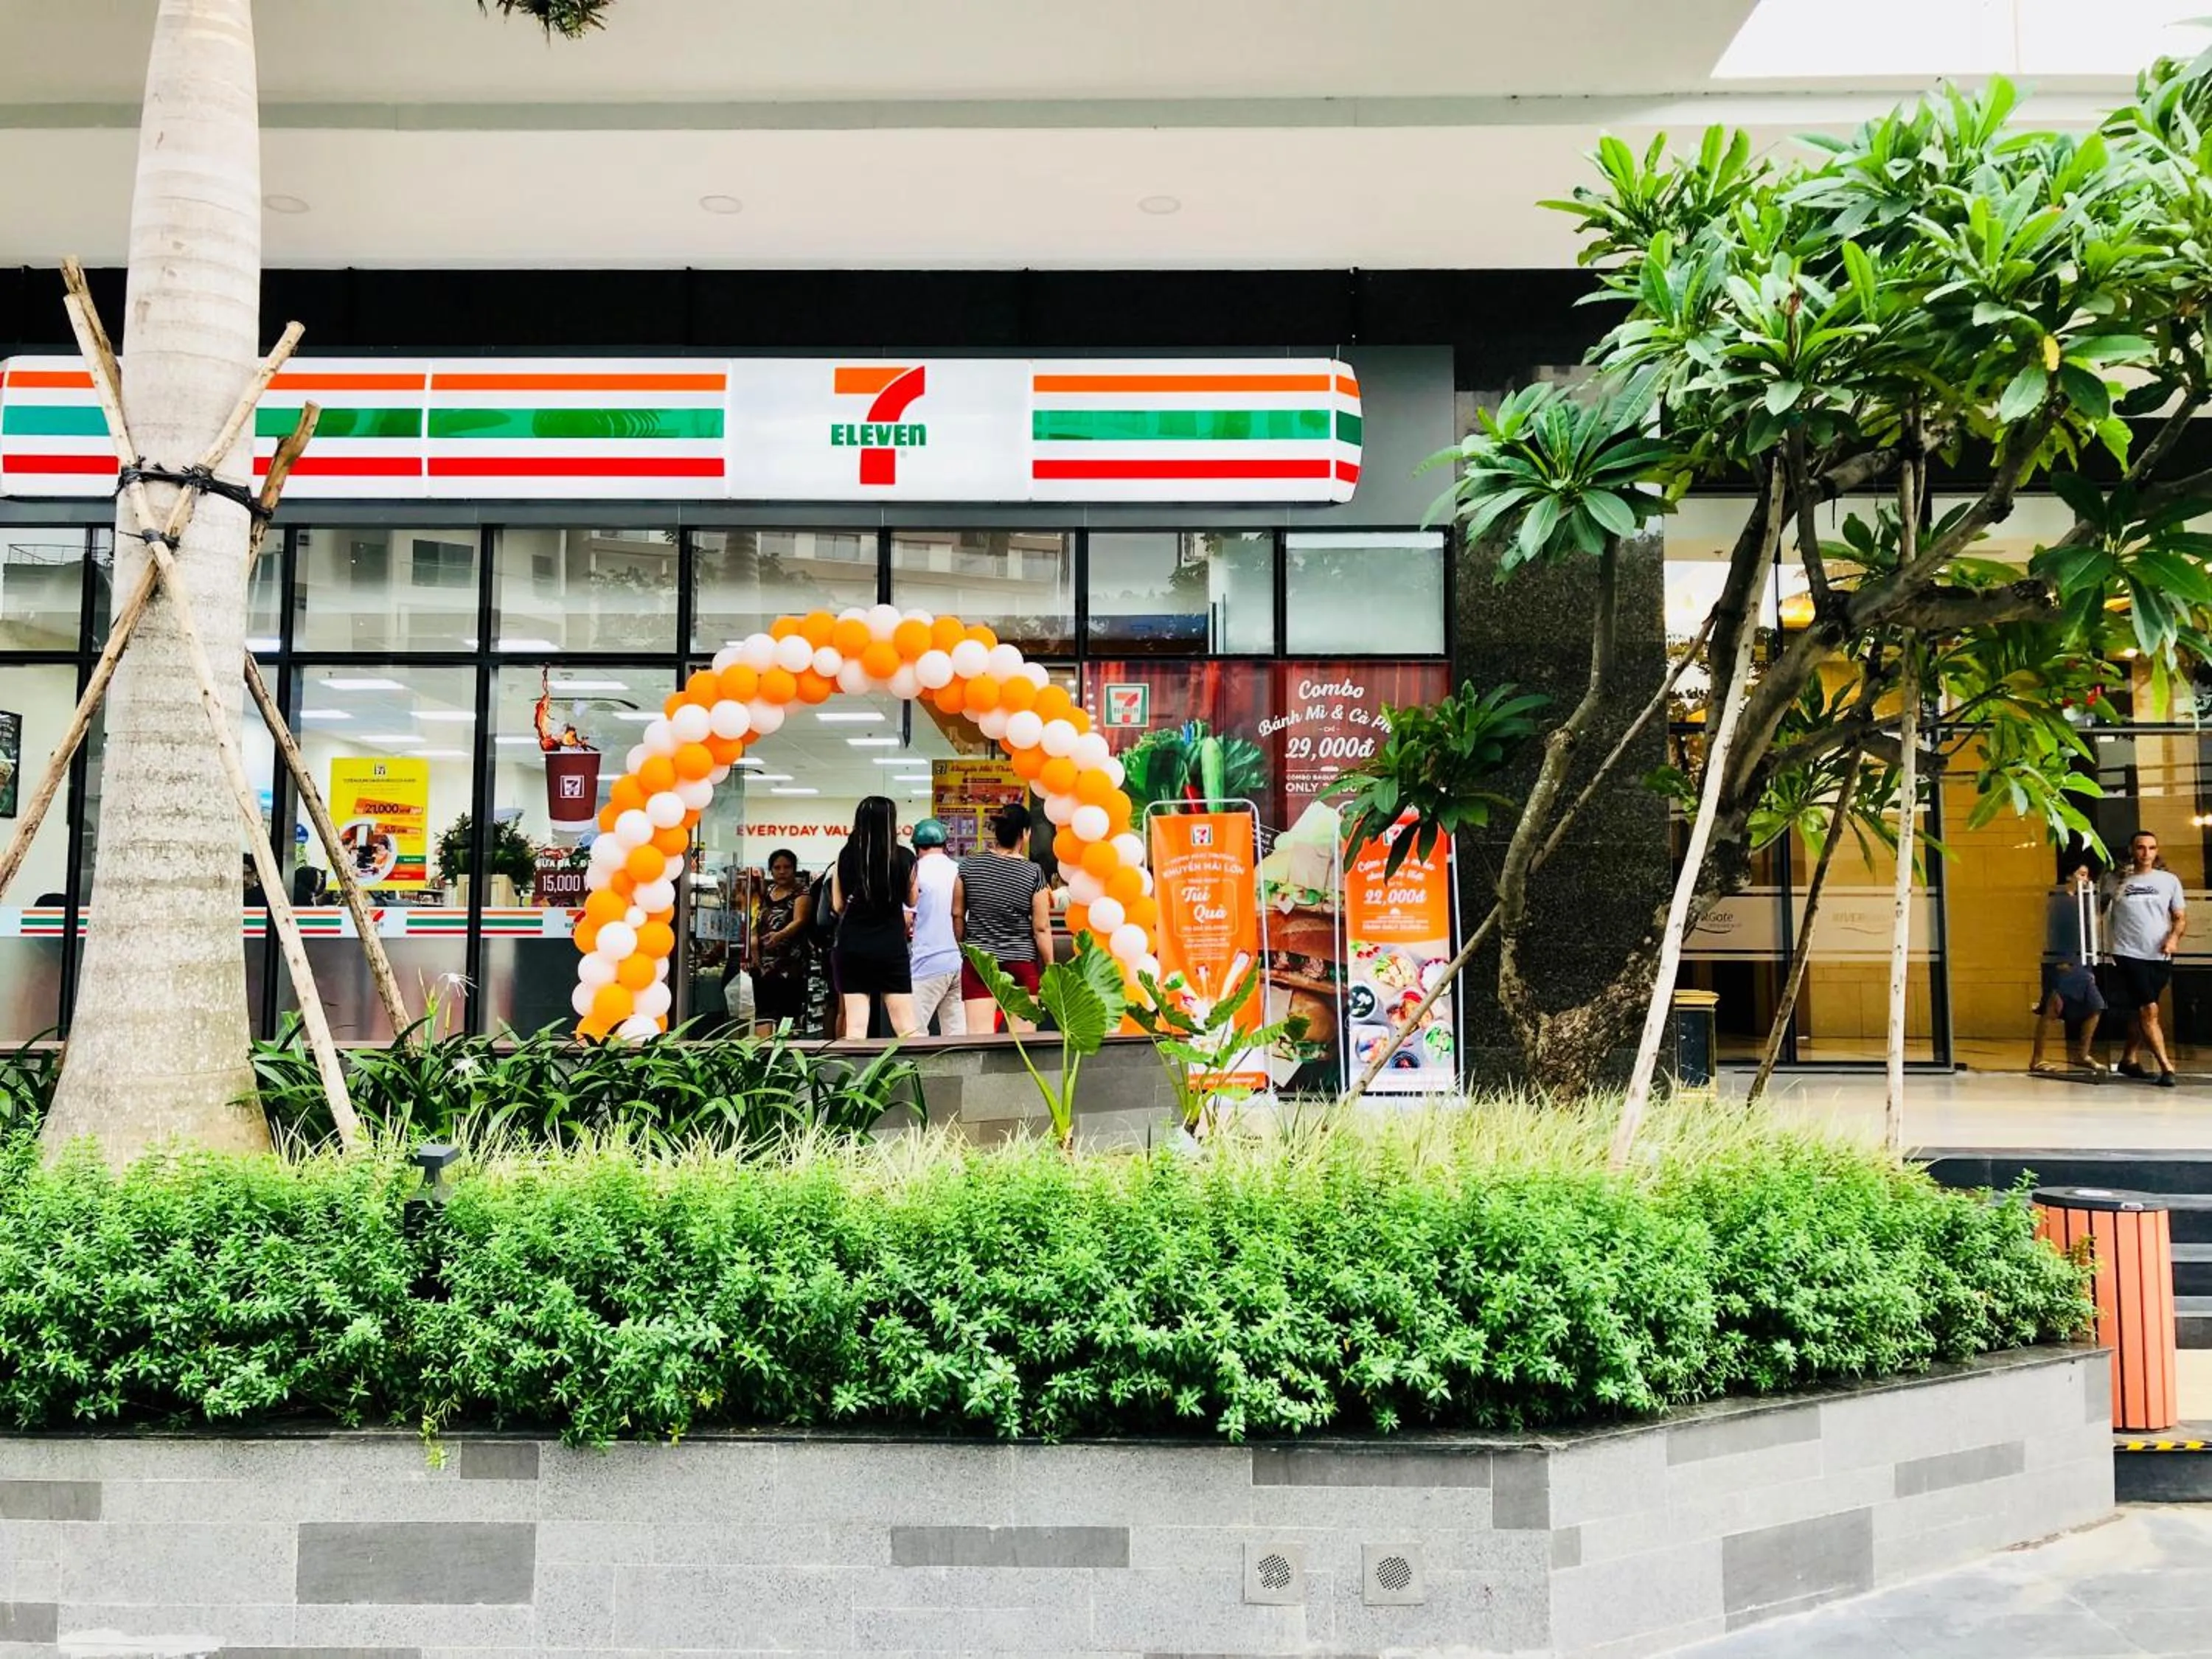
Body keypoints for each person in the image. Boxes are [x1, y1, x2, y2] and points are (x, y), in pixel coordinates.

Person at [955, 800, 1052, 1034]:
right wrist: (1050, 966)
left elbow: (957, 913)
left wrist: (966, 948)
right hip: (1021, 962)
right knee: (1024, 1040)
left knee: (979, 1038)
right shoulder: (1033, 872)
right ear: (1025, 834)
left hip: (980, 963)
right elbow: (1041, 928)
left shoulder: (969, 866)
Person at [829, 796, 919, 1039]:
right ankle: (919, 1075)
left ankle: (857, 1077)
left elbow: (838, 905)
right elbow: (912, 901)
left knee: (856, 1027)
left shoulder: (846, 855)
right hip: (891, 946)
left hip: (852, 945)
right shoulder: (904, 857)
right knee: (906, 1027)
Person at [2107, 829, 2188, 1087]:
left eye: (2151, 848)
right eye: (2141, 848)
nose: (2146, 853)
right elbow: (2095, 912)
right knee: (2149, 1009)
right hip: (2127, 952)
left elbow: (2180, 917)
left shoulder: (2169, 880)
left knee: (2141, 1011)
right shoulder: (2116, 880)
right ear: (2132, 850)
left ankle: (2129, 1059)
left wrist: (2174, 938)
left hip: (2160, 954)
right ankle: (2167, 1067)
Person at [2032, 858, 2106, 1075]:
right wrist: (2060, 960)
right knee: (2053, 1008)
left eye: (2087, 875)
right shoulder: (2060, 899)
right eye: (2081, 874)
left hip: (2081, 959)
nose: (2085, 879)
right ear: (2068, 876)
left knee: (2095, 1005)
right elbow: (2054, 931)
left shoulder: (2084, 901)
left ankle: (2082, 1054)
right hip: (2062, 960)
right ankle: (2037, 1058)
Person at [907, 817, 965, 1037]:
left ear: (916, 846)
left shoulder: (914, 872)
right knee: (958, 1037)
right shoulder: (960, 870)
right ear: (945, 844)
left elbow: (906, 920)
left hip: (926, 964)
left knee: (913, 1034)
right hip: (958, 962)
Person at [751, 847, 812, 1037]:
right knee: (764, 1011)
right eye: (777, 868)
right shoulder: (767, 892)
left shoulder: (802, 892)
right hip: (763, 964)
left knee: (789, 1012)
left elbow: (800, 920)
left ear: (794, 869)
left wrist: (780, 935)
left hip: (790, 964)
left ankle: (785, 1054)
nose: (782, 871)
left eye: (787, 867)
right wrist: (753, 945)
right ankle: (765, 1054)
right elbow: (755, 919)